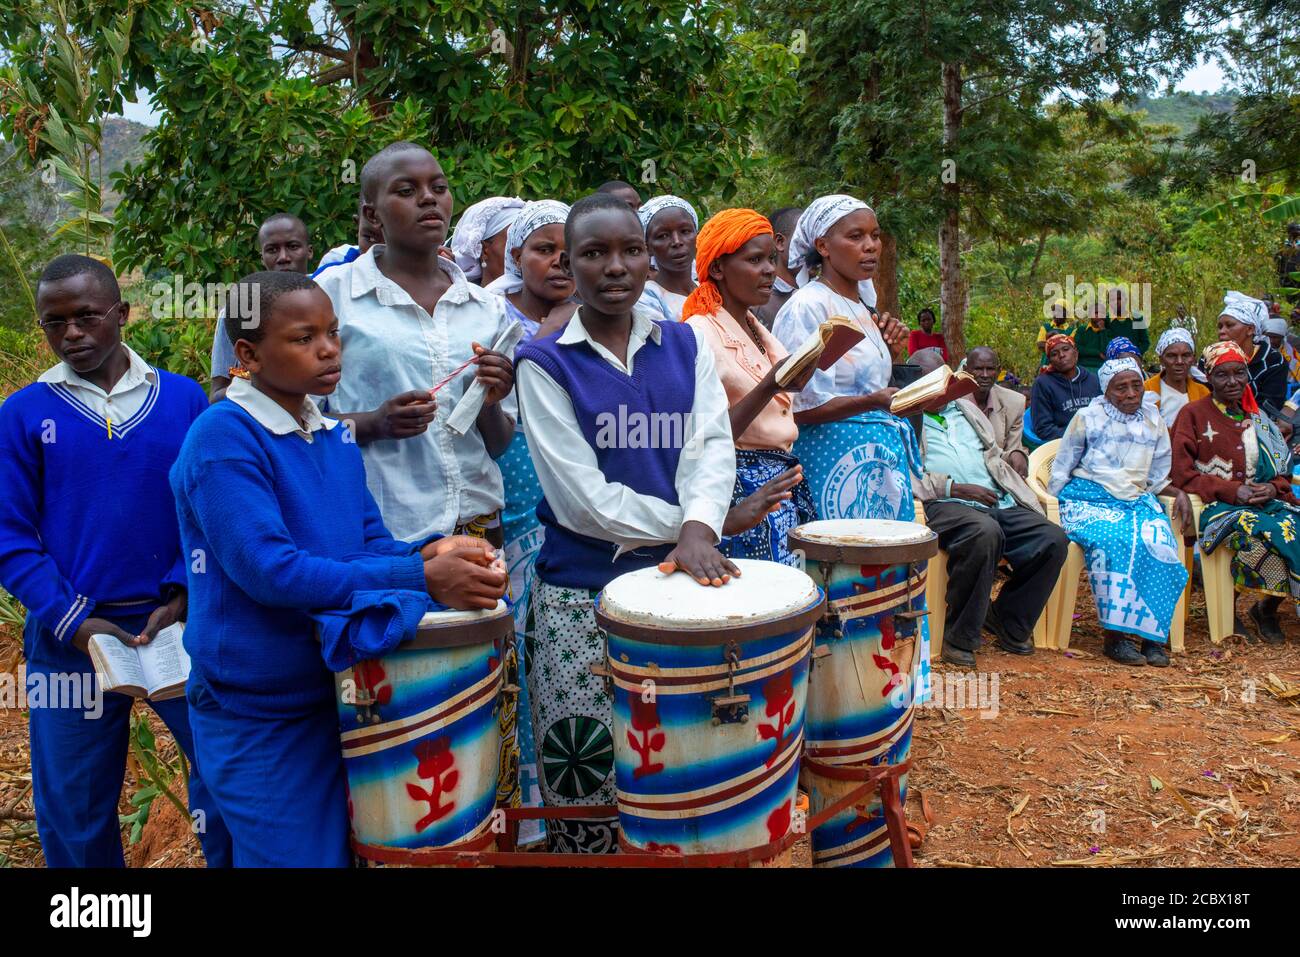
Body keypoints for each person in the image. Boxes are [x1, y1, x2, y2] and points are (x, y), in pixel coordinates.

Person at [172, 270, 508, 867]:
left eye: (332, 333)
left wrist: (432, 551)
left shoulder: (328, 434)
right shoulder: (223, 439)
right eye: (304, 338)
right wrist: (420, 578)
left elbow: (368, 541)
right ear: (248, 355)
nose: (329, 350)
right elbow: (271, 571)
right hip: (258, 706)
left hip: (337, 688)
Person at [514, 193, 740, 853]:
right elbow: (581, 499)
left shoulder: (685, 343)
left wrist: (698, 527)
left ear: (647, 260)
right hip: (582, 597)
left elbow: (710, 444)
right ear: (569, 264)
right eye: (594, 253)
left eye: (630, 250)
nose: (616, 266)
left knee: (679, 770)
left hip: (678, 590)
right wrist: (690, 528)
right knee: (586, 777)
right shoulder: (545, 362)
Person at [0, 254, 232, 867]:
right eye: (55, 323)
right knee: (74, 811)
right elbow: (9, 534)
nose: (72, 333)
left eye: (86, 316)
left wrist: (184, 590)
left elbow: (207, 508)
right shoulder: (23, 414)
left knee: (223, 777)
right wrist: (73, 620)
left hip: (179, 626)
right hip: (71, 637)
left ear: (122, 313)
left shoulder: (182, 400)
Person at [313, 142, 522, 816]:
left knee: (482, 708)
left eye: (438, 186)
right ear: (372, 213)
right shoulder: (334, 299)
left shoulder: (484, 308)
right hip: (386, 539)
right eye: (406, 190)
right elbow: (292, 425)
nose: (429, 198)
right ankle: (397, 845)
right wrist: (371, 423)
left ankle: (486, 841)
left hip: (477, 531)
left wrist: (492, 395)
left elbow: (500, 441)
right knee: (394, 716)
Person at [482, 198, 577, 845]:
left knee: (562, 644)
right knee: (516, 645)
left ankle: (573, 802)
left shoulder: (594, 316)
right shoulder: (494, 317)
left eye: (571, 252)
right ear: (515, 256)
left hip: (572, 494)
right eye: (545, 250)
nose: (560, 263)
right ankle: (525, 820)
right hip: (512, 493)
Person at [909, 349, 1068, 667]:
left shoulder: (965, 410)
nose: (936, 386)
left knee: (1052, 539)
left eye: (941, 378)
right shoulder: (905, 420)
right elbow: (904, 474)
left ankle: (1008, 619)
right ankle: (959, 636)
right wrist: (954, 487)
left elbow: (993, 453)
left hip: (997, 498)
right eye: (927, 380)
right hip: (945, 503)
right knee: (984, 533)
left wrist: (1015, 459)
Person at [683, 207, 818, 566]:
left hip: (778, 483)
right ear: (717, 268)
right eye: (755, 260)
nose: (770, 270)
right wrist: (770, 386)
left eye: (771, 259)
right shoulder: (698, 333)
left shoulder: (756, 328)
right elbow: (703, 437)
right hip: (735, 490)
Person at [1048, 357, 1191, 666]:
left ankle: (1153, 638)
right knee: (1115, 541)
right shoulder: (1088, 417)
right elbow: (1062, 466)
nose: (1131, 394)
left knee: (1160, 542)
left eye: (1136, 385)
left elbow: (1158, 472)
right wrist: (1049, 506)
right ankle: (1116, 637)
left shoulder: (1153, 418)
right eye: (1121, 388)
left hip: (1137, 500)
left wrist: (1176, 492)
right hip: (1088, 499)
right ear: (1106, 390)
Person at [1171, 341, 1300, 645]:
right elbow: (1181, 473)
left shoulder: (1257, 416)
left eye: (1239, 373)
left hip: (1265, 502)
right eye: (1222, 375)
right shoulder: (1192, 415)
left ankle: (1266, 608)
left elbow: (1282, 470)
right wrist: (1231, 490)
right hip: (1217, 506)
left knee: (1293, 527)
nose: (1232, 382)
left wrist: (1273, 487)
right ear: (1208, 377)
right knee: (1263, 537)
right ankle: (1225, 609)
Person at [209, 212, 314, 401]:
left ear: (309, 251)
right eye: (272, 250)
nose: (283, 257)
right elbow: (217, 395)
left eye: (292, 247)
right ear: (262, 258)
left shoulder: (332, 295)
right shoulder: (239, 310)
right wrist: (261, 381)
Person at [1214, 290, 1287, 418]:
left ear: (1250, 329)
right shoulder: (1211, 358)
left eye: (1229, 325)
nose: (1222, 331)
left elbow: (1270, 405)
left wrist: (1237, 421)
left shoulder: (1273, 361)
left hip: (1258, 423)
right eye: (1220, 327)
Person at [965, 346, 1029, 476]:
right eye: (978, 369)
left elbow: (1012, 450)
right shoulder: (952, 400)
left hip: (998, 472)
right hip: (962, 471)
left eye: (990, 369)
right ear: (966, 370)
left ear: (999, 370)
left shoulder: (1014, 403)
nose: (985, 375)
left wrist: (1016, 455)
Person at [637, 195, 698, 321]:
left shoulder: (711, 290)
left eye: (685, 231)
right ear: (648, 247)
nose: (677, 242)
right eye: (663, 236)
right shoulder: (646, 299)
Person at [1029, 334, 1101, 441]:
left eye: (1066, 349)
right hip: (1061, 443)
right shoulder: (1042, 384)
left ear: (1076, 352)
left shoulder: (1093, 380)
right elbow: (1043, 429)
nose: (1061, 355)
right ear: (1050, 361)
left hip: (1097, 440)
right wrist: (1079, 436)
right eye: (1054, 354)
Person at [448, 195, 525, 286]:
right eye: (512, 243)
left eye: (526, 244)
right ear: (484, 251)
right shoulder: (459, 294)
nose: (522, 255)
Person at [1145, 328, 1208, 428]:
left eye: (1186, 355)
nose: (1179, 361)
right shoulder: (1147, 390)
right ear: (1161, 360)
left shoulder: (1202, 393)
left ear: (1193, 359)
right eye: (1171, 356)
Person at [753, 205, 802, 329]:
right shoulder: (758, 304)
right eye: (804, 239)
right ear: (780, 242)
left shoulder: (822, 293)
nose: (814, 248)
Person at [311, 197, 385, 277]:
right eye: (371, 239)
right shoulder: (332, 271)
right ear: (357, 224)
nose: (380, 250)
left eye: (393, 242)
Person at [1106, 287, 1150, 357]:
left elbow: (1145, 342)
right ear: (1108, 302)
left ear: (1125, 300)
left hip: (1134, 357)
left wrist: (1135, 353)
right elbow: (1104, 343)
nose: (1116, 302)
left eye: (1119, 299)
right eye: (1112, 300)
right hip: (1113, 359)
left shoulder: (1137, 318)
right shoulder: (1106, 320)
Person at [1073, 299, 1113, 374]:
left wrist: (1102, 330)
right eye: (1096, 312)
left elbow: (1106, 351)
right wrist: (1097, 353)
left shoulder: (1108, 331)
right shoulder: (1082, 329)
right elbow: (1077, 348)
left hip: (1102, 367)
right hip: (1083, 365)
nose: (1098, 315)